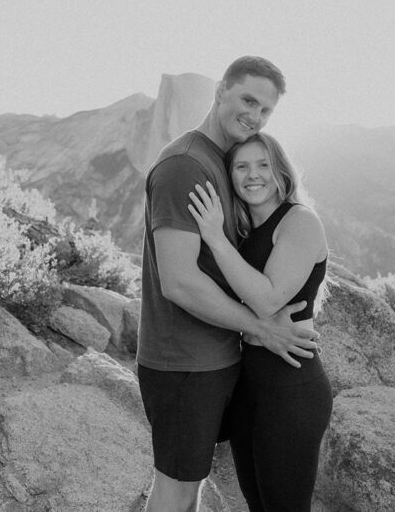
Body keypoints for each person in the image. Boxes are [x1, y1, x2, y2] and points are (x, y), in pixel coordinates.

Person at [137, 57, 318, 512]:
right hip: (182, 361)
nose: (254, 116)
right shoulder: (185, 165)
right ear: (220, 91)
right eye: (248, 100)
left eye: (266, 111)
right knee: (175, 492)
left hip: (215, 360)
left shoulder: (222, 162)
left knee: (190, 489)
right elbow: (179, 282)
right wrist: (261, 328)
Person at [187, 132, 332, 512]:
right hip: (249, 387)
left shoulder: (299, 221)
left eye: (263, 164)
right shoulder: (245, 233)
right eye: (242, 166)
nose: (254, 175)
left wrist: (215, 239)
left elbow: (267, 299)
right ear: (231, 176)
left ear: (280, 171)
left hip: (291, 389)